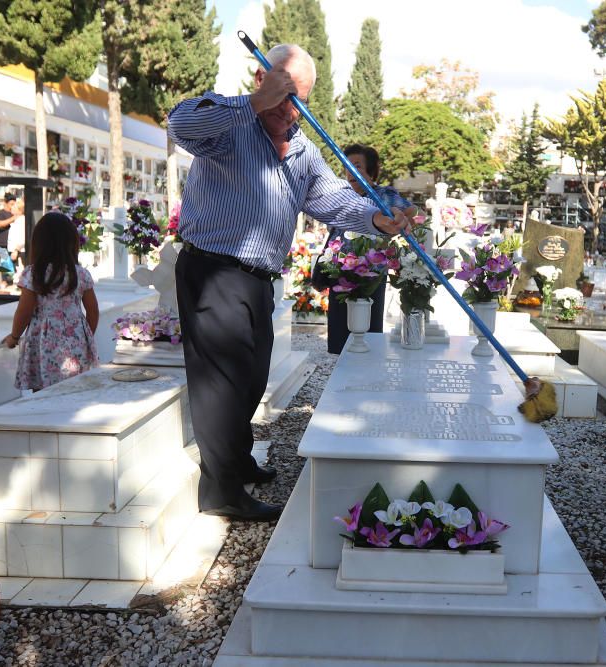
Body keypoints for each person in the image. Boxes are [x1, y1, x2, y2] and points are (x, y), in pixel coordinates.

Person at [167, 43, 411, 523]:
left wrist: (377, 220)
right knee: (222, 383)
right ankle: (221, 492)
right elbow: (181, 124)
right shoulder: (227, 125)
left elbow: (332, 199)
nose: (289, 108)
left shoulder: (301, 149)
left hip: (257, 278)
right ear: (264, 79)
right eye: (283, 93)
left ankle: (236, 462)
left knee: (252, 377)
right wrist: (253, 103)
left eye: (298, 98)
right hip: (214, 269)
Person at [323, 144, 418, 355]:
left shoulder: (384, 195)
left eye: (357, 165)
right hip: (341, 270)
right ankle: (342, 375)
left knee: (369, 330)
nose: (351, 171)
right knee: (341, 329)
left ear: (372, 169)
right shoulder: (340, 194)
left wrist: (394, 236)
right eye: (347, 165)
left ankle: (366, 375)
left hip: (372, 273)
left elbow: (415, 214)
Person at [2, 212, 99, 392]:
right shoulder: (81, 274)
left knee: (44, 394)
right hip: (76, 342)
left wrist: (14, 337)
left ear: (39, 244)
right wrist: (86, 337)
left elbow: (24, 312)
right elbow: (93, 311)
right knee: (74, 392)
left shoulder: (34, 274)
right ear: (73, 242)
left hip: (42, 344)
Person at [0, 192, 17, 286]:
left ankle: (12, 281)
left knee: (13, 264)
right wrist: (13, 219)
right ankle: (4, 281)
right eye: (11, 204)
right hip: (1, 243)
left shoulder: (15, 213)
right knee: (3, 263)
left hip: (13, 244)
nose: (12, 206)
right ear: (6, 203)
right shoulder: (0, 213)